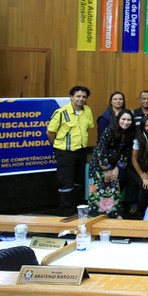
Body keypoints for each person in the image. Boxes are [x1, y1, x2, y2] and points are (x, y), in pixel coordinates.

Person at [47, 85, 94, 215]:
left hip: (81, 151)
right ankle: (67, 210)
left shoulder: (87, 111)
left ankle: (79, 208)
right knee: (66, 182)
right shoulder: (61, 113)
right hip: (65, 153)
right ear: (71, 97)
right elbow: (50, 132)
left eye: (84, 97)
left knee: (80, 181)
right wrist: (58, 146)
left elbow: (87, 128)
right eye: (78, 96)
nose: (81, 99)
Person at [88, 109, 135, 218]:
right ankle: (95, 215)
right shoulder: (110, 130)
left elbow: (126, 152)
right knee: (98, 191)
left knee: (113, 190)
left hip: (114, 166)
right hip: (99, 165)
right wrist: (107, 169)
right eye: (123, 119)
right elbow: (101, 150)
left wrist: (118, 168)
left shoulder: (130, 133)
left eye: (129, 120)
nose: (126, 122)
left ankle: (113, 215)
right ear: (118, 119)